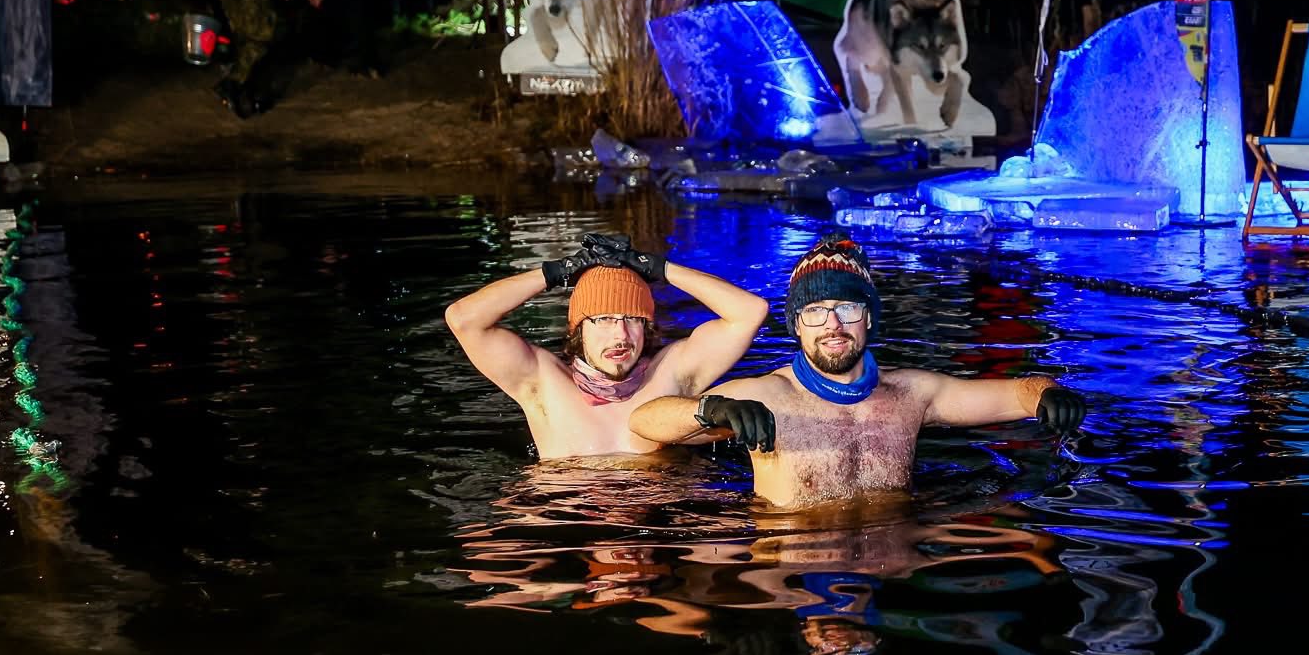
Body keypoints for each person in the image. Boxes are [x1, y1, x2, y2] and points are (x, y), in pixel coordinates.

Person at [629, 231, 1085, 508]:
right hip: (793, 569)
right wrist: (711, 410)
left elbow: (1017, 393)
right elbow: (644, 421)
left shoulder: (911, 393)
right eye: (815, 311)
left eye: (847, 308)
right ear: (796, 325)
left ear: (868, 318)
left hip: (888, 562)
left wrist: (1048, 393)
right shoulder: (767, 396)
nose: (832, 325)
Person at [443, 232, 769, 460]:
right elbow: (463, 319)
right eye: (602, 319)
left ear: (647, 328)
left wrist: (661, 268)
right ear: (578, 329)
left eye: (633, 319)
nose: (620, 335)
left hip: (656, 521)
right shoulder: (542, 381)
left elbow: (750, 312)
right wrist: (556, 272)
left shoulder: (672, 372)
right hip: (567, 520)